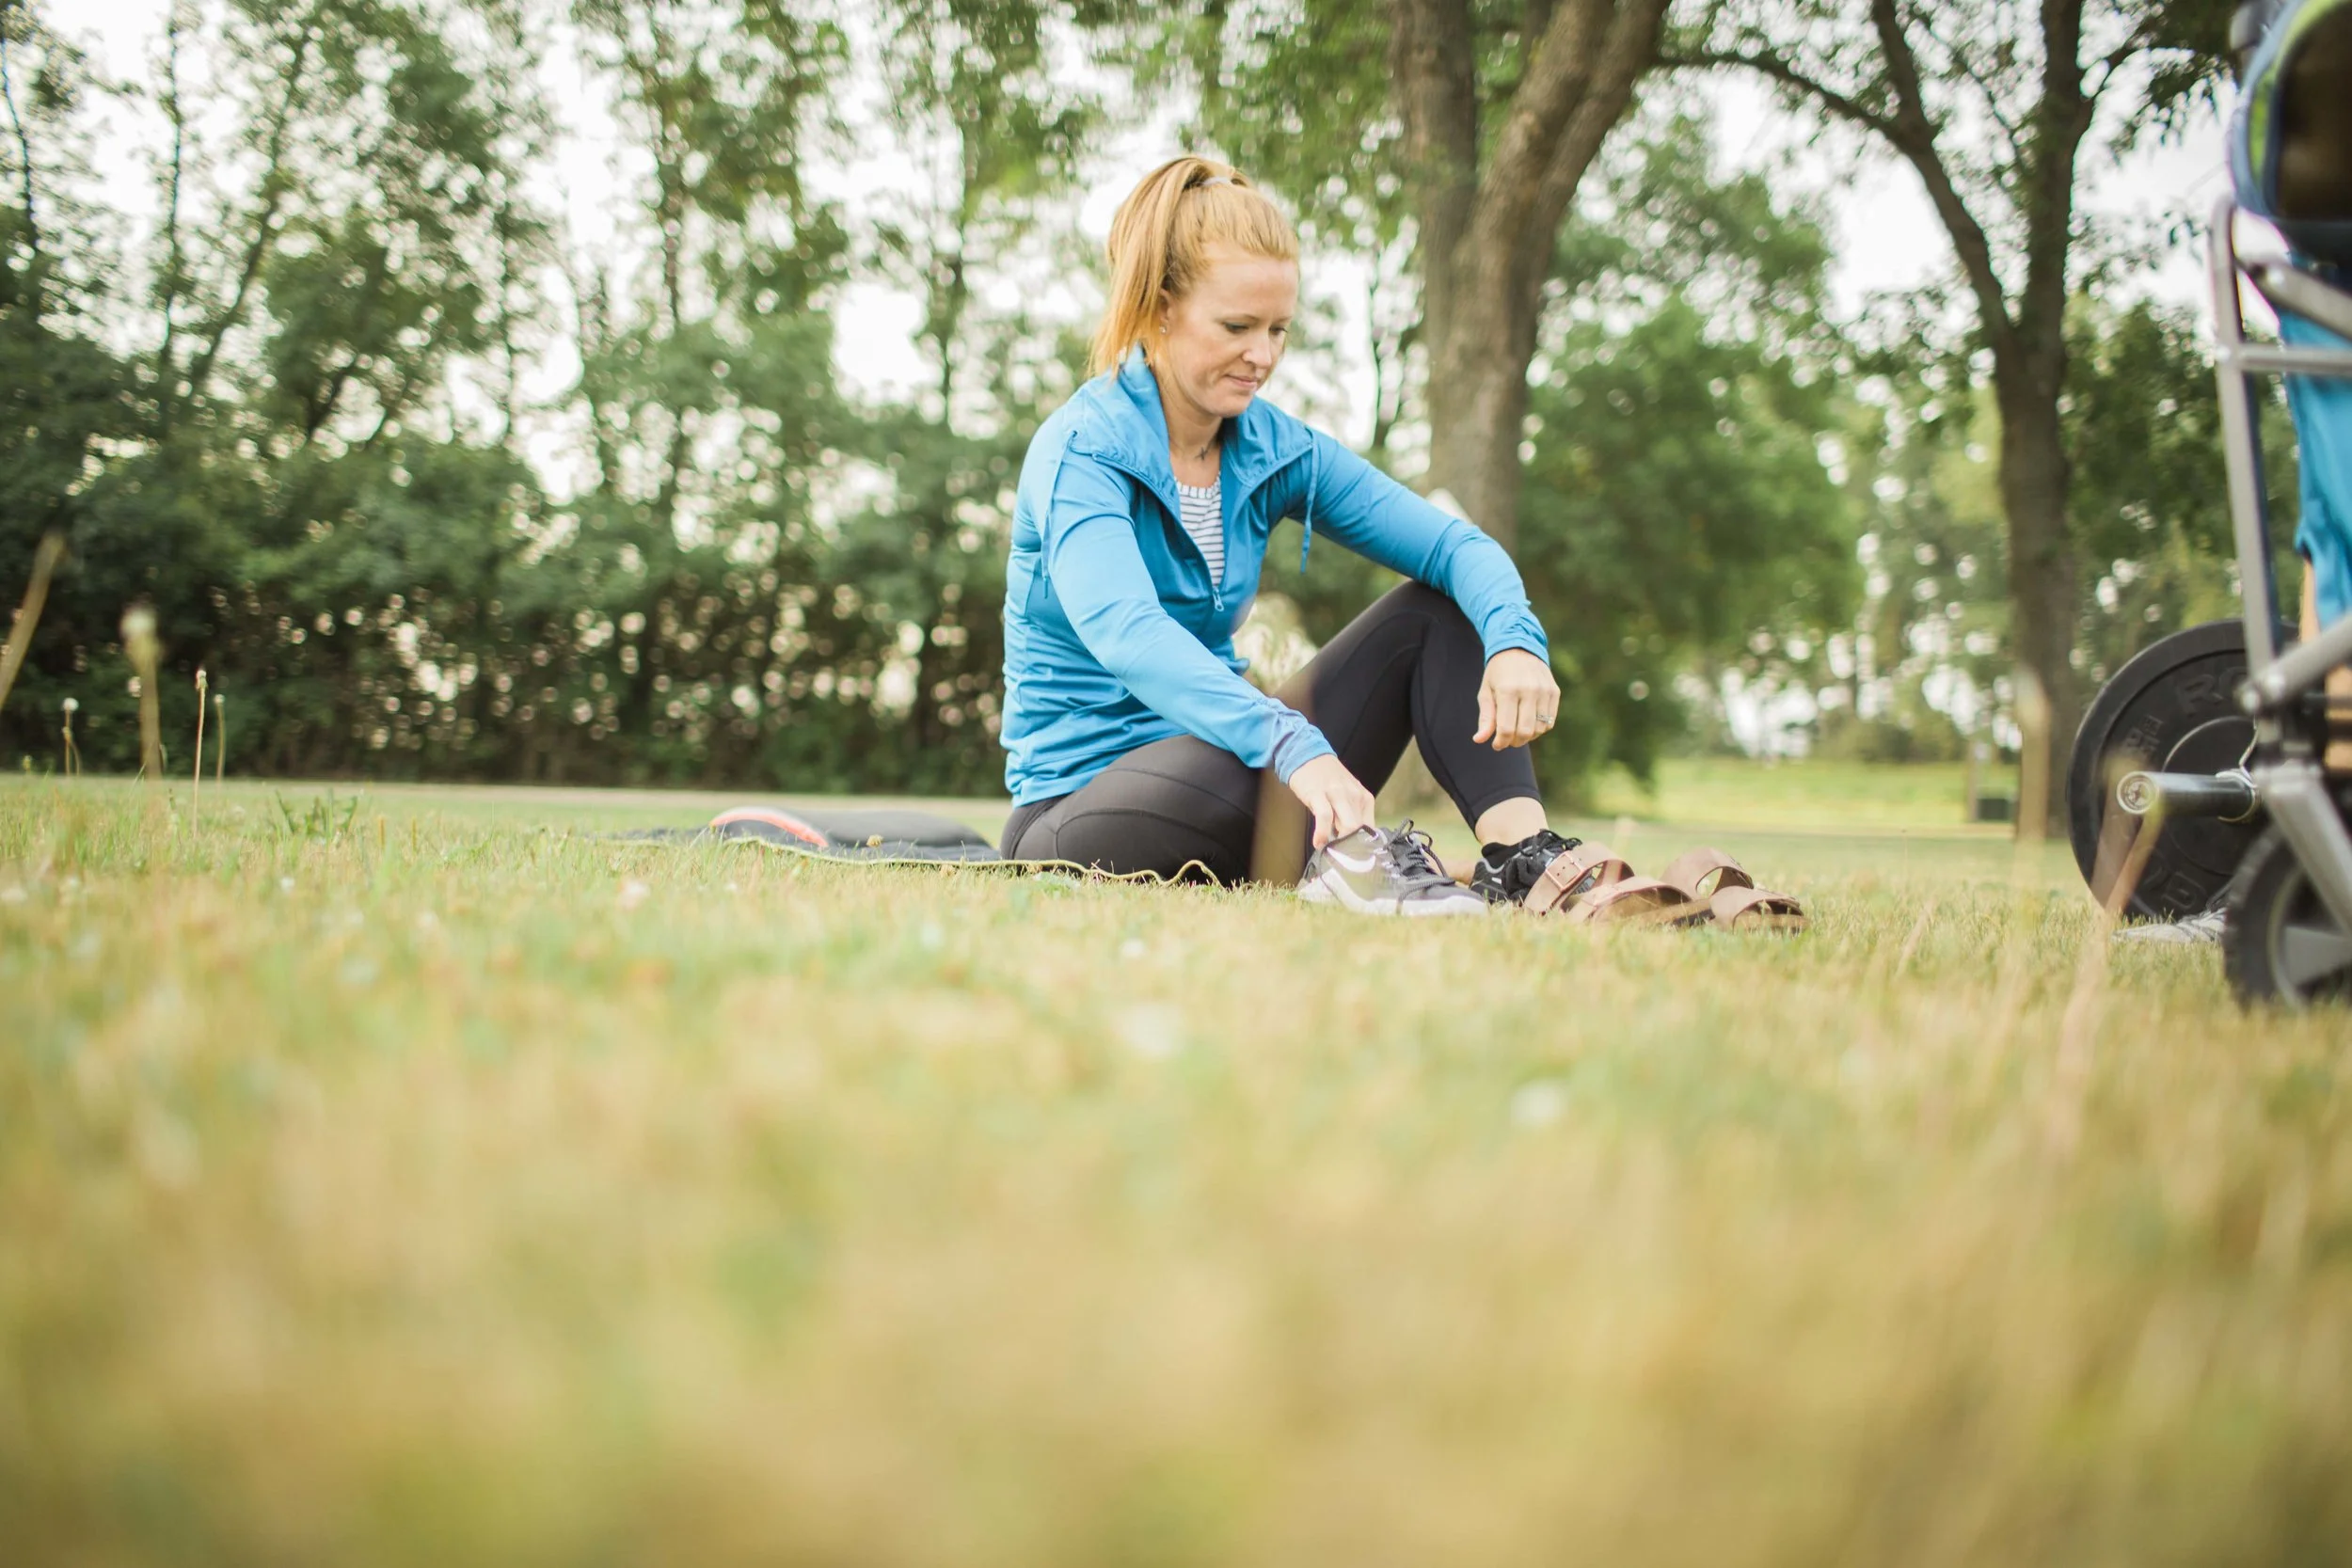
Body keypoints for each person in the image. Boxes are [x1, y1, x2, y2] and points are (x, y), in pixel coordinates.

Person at [996, 155, 1579, 913]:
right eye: (1237, 327)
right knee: (1244, 766)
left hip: (1234, 757)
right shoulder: (1084, 450)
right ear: (1162, 308)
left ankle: (1525, 861)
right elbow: (1129, 633)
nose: (1264, 355)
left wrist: (1513, 640)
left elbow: (1453, 546)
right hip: (1079, 804)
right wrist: (1294, 743)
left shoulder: (1272, 447)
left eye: (1278, 329)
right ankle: (1352, 860)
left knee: (1438, 607)